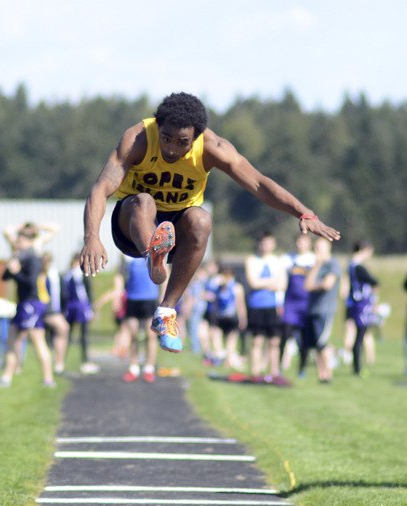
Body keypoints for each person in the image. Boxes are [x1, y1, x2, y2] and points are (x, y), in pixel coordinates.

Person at [79, 92, 340, 354]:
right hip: (133, 222)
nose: (171, 148)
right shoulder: (138, 139)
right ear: (157, 126)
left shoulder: (213, 147)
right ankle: (153, 254)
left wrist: (304, 212)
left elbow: (259, 184)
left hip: (178, 225)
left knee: (202, 219)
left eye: (182, 142)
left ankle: (166, 311)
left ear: (197, 137)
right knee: (145, 201)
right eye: (166, 138)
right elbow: (101, 188)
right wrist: (92, 237)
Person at [0, 228, 55, 389]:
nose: (17, 243)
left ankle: (48, 379)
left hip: (31, 303)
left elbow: (30, 283)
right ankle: (6, 378)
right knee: (12, 339)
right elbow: (4, 277)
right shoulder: (19, 256)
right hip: (23, 304)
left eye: (20, 241)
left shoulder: (34, 258)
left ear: (29, 242)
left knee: (37, 340)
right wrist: (12, 267)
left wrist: (16, 272)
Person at [245, 232, 287, 383]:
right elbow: (253, 283)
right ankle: (256, 372)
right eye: (263, 242)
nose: (266, 246)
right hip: (256, 305)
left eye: (269, 242)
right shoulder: (251, 260)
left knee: (274, 341)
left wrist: (263, 282)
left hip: (273, 306)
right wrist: (271, 282)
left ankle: (274, 372)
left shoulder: (277, 261)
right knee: (257, 340)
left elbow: (282, 284)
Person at [303, 238, 341, 383]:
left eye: (321, 247)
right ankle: (321, 375)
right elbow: (307, 286)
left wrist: (315, 284)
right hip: (312, 310)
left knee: (323, 342)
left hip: (325, 309)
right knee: (316, 345)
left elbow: (327, 285)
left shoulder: (333, 264)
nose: (317, 250)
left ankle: (328, 374)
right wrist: (317, 265)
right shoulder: (316, 265)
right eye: (316, 247)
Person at [119, 257, 160, 383]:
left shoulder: (153, 248)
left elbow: (165, 272)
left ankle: (149, 368)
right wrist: (118, 295)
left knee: (151, 336)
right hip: (132, 298)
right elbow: (119, 274)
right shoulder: (127, 253)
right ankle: (134, 367)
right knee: (133, 334)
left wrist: (164, 298)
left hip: (150, 298)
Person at [279, 234, 315, 374]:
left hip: (306, 304)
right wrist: (280, 302)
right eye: (299, 241)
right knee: (285, 335)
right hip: (290, 303)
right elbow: (282, 281)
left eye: (304, 241)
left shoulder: (313, 260)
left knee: (304, 339)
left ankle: (302, 368)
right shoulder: (287, 259)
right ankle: (280, 366)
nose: (301, 244)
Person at [345, 241, 379, 376]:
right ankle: (357, 368)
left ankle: (357, 366)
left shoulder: (351, 265)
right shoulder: (357, 267)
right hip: (361, 305)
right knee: (360, 336)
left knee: (358, 335)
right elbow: (374, 281)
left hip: (355, 304)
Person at [62, 253, 99, 374]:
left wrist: (91, 308)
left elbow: (87, 292)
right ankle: (62, 360)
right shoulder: (67, 276)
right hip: (70, 307)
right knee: (67, 333)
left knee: (84, 335)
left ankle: (85, 360)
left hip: (81, 307)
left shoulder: (82, 275)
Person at [41, 252, 70, 375]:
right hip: (43, 310)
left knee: (63, 329)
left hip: (54, 310)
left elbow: (62, 293)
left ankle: (59, 363)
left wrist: (63, 310)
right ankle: (56, 364)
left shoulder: (55, 274)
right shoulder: (40, 274)